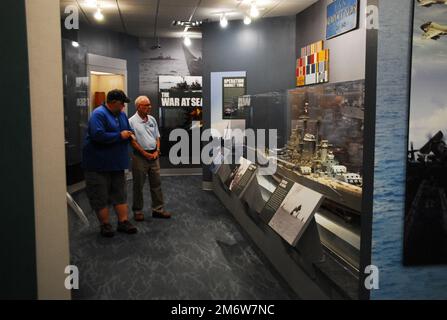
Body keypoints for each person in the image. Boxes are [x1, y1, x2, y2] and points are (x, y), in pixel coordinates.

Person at [82, 89, 137, 237]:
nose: (124, 106)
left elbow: (128, 130)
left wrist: (130, 134)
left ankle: (123, 222)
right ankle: (105, 225)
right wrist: (120, 135)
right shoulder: (98, 114)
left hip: (117, 163)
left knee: (120, 193)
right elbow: (97, 135)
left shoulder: (122, 115)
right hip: (98, 165)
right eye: (122, 103)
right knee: (100, 195)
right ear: (114, 102)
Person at [129, 96, 171, 221]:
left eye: (149, 105)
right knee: (138, 185)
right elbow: (133, 142)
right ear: (138, 107)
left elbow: (157, 137)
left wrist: (157, 151)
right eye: (146, 105)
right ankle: (137, 211)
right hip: (140, 157)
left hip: (154, 156)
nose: (149, 107)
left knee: (156, 184)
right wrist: (144, 153)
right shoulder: (131, 121)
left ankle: (158, 210)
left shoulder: (152, 119)